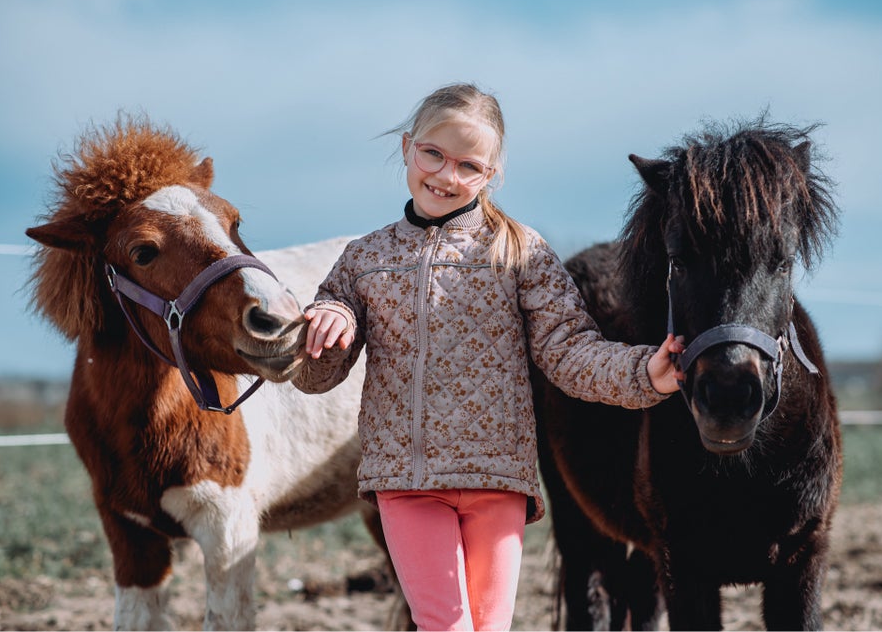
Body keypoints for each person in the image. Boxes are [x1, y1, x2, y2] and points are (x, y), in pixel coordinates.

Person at [292, 82, 684, 631]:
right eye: (433, 154)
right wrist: (328, 325)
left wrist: (644, 372)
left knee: (487, 626)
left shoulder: (521, 252)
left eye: (468, 166)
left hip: (497, 482)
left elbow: (569, 349)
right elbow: (316, 376)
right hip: (407, 482)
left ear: (491, 175)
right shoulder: (364, 260)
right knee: (446, 624)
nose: (446, 176)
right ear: (408, 147)